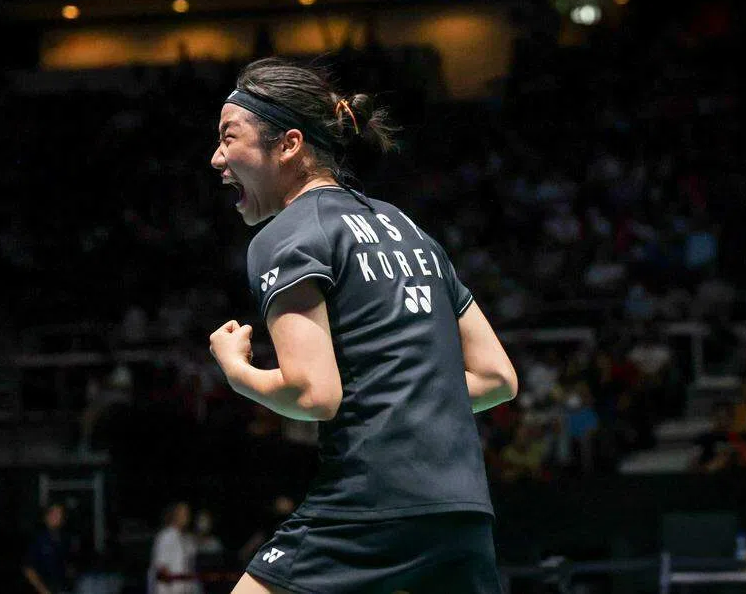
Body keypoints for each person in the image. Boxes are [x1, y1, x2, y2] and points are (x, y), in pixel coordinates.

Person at [208, 57, 518, 593]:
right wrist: (392, 391)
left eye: (228, 137)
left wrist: (238, 372)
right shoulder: (408, 229)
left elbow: (312, 394)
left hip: (368, 503)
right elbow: (497, 379)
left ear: (289, 145)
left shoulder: (287, 236)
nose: (217, 157)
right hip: (462, 510)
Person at [150, 502, 201, 594]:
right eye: (183, 513)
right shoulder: (166, 536)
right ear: (174, 514)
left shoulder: (187, 539)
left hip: (185, 589)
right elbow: (162, 567)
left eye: (187, 513)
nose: (186, 517)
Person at [23, 503, 69, 594]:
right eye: (53, 513)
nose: (57, 517)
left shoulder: (64, 538)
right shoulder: (38, 538)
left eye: (59, 513)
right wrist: (44, 591)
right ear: (46, 516)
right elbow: (28, 569)